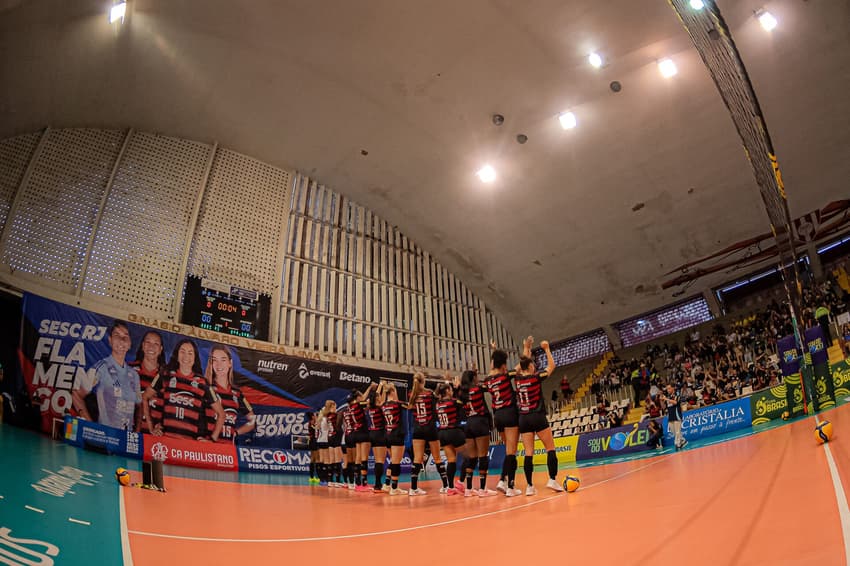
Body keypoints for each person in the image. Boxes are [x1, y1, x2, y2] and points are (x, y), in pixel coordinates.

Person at [143, 339, 224, 441]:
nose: (186, 356)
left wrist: (212, 440)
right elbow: (145, 397)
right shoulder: (165, 375)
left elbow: (221, 414)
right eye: (182, 352)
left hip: (189, 446)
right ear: (177, 355)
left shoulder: (202, 383)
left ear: (195, 358)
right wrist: (151, 427)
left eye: (190, 353)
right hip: (164, 441)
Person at [72, 320, 141, 431]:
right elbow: (76, 394)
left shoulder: (134, 375)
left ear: (129, 344)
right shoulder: (101, 368)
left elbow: (139, 405)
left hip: (125, 440)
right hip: (106, 439)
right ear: (110, 341)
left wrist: (137, 432)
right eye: (116, 335)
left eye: (125, 337)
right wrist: (90, 425)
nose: (121, 340)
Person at [515, 339, 563, 495]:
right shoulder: (535, 378)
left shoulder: (517, 380)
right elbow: (551, 367)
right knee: (550, 448)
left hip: (523, 418)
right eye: (532, 364)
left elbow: (520, 365)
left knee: (529, 453)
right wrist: (547, 349)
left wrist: (526, 348)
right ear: (530, 366)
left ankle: (529, 486)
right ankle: (553, 479)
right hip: (537, 416)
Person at [484, 339, 523, 497]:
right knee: (511, 452)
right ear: (503, 366)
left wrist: (494, 350)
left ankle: (505, 480)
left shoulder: (488, 380)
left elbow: (493, 367)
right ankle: (507, 484)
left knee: (509, 450)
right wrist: (526, 348)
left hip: (497, 417)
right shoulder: (507, 376)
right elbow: (523, 364)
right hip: (509, 413)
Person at [203, 344, 255, 443]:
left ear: (230, 363)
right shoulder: (207, 388)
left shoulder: (237, 394)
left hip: (228, 452)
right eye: (215, 360)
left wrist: (236, 432)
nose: (219, 365)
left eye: (223, 360)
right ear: (211, 363)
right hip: (208, 448)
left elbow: (252, 421)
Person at [408, 372, 449, 495]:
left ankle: (413, 488)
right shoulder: (429, 394)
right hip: (430, 428)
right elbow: (439, 397)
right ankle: (446, 486)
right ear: (423, 381)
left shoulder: (412, 395)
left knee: (417, 458)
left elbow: (409, 408)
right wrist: (445, 381)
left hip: (418, 429)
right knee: (437, 458)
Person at [459, 368, 498, 497]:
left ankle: (468, 489)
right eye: (476, 376)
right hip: (480, 422)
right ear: (473, 378)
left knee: (472, 457)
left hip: (469, 423)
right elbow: (489, 384)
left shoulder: (462, 393)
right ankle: (482, 489)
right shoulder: (478, 389)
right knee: (482, 456)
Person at [130, 330, 165, 433]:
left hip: (154, 437)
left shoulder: (166, 376)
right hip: (129, 432)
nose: (151, 347)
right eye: (148, 342)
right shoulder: (129, 370)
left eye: (156, 344)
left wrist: (162, 426)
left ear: (160, 349)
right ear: (143, 345)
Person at [436, 379, 466, 496]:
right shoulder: (453, 402)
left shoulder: (438, 403)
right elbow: (463, 401)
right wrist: (458, 388)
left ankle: (450, 487)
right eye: (451, 390)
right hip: (454, 431)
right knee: (469, 457)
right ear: (448, 391)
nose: (452, 391)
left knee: (451, 460)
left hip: (442, 433)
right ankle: (461, 482)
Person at [379, 381, 407, 495]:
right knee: (396, 462)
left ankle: (386, 484)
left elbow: (381, 401)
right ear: (393, 391)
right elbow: (410, 406)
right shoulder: (398, 404)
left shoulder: (383, 405)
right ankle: (394, 488)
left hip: (387, 435)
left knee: (393, 461)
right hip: (396, 434)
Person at [365, 388, 389, 492]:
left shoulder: (369, 408)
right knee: (380, 461)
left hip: (372, 434)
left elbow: (379, 399)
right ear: (376, 399)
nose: (380, 398)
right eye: (378, 397)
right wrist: (383, 388)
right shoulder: (380, 407)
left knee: (377, 460)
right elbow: (383, 401)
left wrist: (380, 388)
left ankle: (377, 483)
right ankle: (378, 484)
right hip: (380, 433)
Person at [662, 384, 687, 450]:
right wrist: (661, 401)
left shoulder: (677, 395)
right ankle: (683, 440)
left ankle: (677, 444)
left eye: (669, 388)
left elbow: (675, 402)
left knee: (677, 431)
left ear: (673, 388)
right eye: (667, 389)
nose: (668, 390)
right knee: (673, 431)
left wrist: (666, 399)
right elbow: (664, 407)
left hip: (677, 415)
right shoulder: (667, 397)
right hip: (670, 416)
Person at [307, 412, 320, 484]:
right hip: (314, 441)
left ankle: (311, 477)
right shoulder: (312, 423)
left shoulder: (311, 422)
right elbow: (316, 428)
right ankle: (318, 477)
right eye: (314, 415)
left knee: (313, 459)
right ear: (312, 417)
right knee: (316, 459)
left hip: (312, 441)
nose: (316, 416)